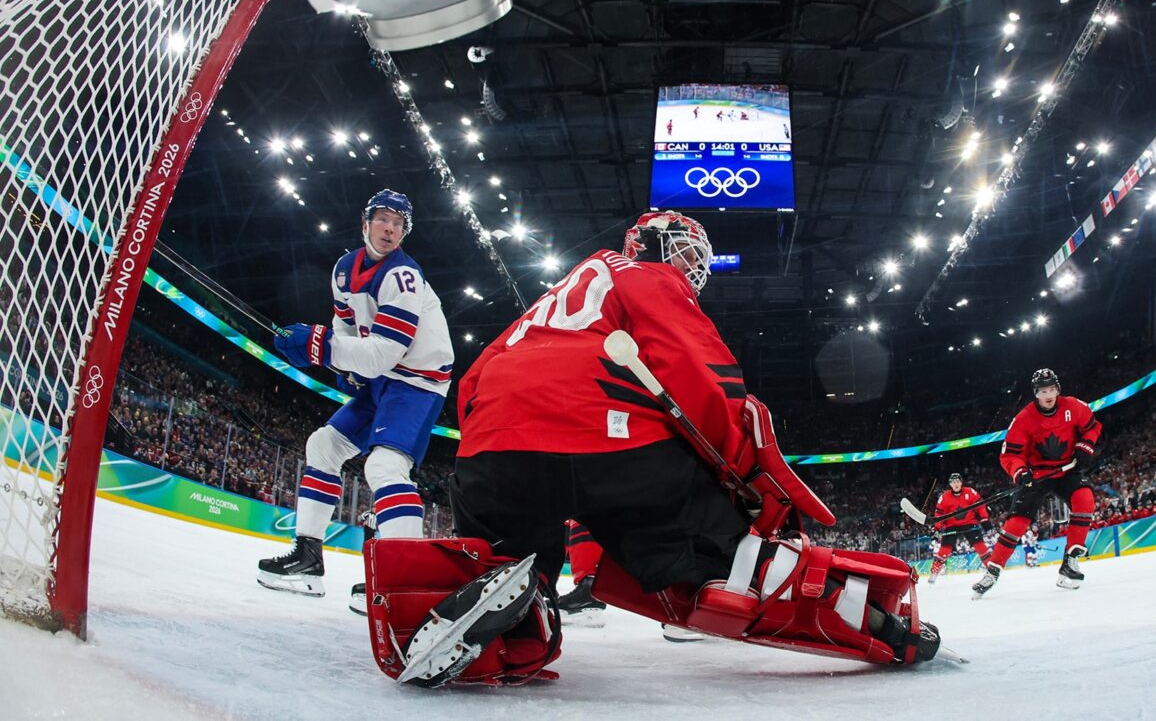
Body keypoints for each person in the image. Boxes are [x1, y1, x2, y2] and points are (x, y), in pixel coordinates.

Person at [368, 210, 941, 686]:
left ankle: (519, 613)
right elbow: (705, 379)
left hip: (494, 450)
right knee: (726, 557)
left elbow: (472, 385)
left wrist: (493, 449)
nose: (694, 266)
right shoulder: (645, 276)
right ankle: (879, 625)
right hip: (610, 437)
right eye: (687, 250)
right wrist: (736, 476)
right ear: (647, 243)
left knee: (513, 558)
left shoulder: (544, 307)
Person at [257, 190, 454, 600]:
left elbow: (385, 351)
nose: (390, 228)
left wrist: (321, 347)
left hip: (417, 382)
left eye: (399, 223)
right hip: (385, 377)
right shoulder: (344, 269)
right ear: (365, 223)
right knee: (323, 445)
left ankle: (404, 580)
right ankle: (308, 559)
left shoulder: (404, 276)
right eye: (383, 219)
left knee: (383, 466)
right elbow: (345, 327)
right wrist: (342, 362)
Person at [972, 368, 1101, 598]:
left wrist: (1085, 446)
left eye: (1052, 389)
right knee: (1017, 521)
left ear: (1058, 389)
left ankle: (1070, 562)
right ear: (1036, 394)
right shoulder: (1024, 419)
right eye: (1043, 391)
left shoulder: (1074, 406)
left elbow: (1092, 427)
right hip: (1037, 475)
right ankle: (992, 570)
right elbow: (1010, 454)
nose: (1048, 394)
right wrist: (1021, 473)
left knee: (1085, 498)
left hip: (1067, 469)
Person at [926, 473, 990, 584]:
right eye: (953, 482)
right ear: (950, 484)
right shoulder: (944, 497)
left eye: (957, 482)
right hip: (951, 526)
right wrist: (936, 528)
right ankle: (934, 573)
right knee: (944, 550)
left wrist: (985, 519)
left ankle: (991, 570)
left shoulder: (970, 492)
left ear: (961, 482)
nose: (956, 484)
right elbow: (939, 514)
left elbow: (980, 506)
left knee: (981, 547)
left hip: (970, 523)